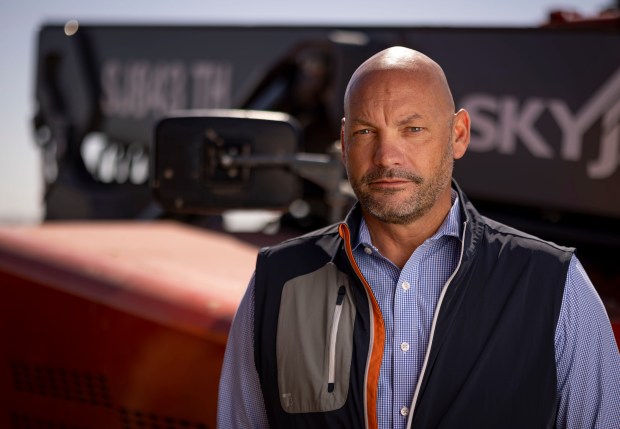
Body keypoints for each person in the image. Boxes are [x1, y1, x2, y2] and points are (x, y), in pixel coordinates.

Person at [217, 46, 620, 429]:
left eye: (412, 129)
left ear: (458, 134)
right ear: (343, 143)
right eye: (364, 131)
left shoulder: (554, 284)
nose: (387, 156)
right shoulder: (276, 284)